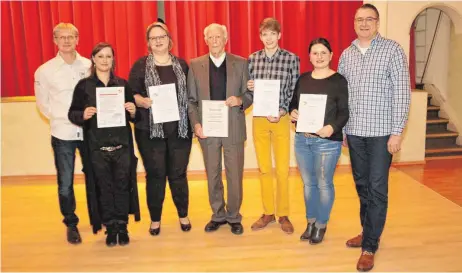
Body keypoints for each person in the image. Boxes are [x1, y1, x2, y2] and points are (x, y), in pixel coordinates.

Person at [337, 4, 411, 271]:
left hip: (381, 135)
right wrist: (343, 129)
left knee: (378, 189)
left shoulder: (392, 50)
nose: (364, 23)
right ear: (354, 23)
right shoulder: (346, 54)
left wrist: (397, 131)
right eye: (359, 19)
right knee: (362, 186)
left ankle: (370, 245)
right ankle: (367, 231)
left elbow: (402, 93)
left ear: (377, 23)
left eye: (370, 19)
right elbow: (341, 96)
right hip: (355, 132)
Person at [68, 42, 140, 247]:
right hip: (97, 148)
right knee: (104, 188)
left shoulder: (123, 85)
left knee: (122, 187)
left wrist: (133, 110)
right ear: (93, 59)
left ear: (113, 60)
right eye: (100, 57)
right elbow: (72, 113)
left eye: (108, 56)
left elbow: (135, 116)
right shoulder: (84, 86)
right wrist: (83, 114)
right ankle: (110, 226)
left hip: (121, 147)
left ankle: (122, 226)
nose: (105, 60)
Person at [187, 23, 253, 235]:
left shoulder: (241, 63)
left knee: (234, 175)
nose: (215, 41)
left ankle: (234, 215)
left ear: (225, 39)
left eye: (218, 37)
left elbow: (250, 94)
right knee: (213, 173)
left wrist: (240, 99)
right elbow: (191, 100)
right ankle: (218, 214)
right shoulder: (195, 65)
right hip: (208, 129)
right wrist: (196, 124)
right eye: (210, 37)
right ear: (205, 40)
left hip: (233, 127)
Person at [128, 21, 192, 236]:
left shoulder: (182, 65)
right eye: (153, 38)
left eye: (161, 36)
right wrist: (141, 100)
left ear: (169, 39)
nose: (158, 41)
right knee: (155, 175)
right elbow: (131, 94)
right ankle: (155, 220)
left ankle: (183, 215)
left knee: (178, 175)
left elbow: (192, 95)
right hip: (149, 132)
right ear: (148, 42)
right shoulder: (139, 66)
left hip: (180, 131)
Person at [34, 22, 91, 244]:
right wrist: (63, 119)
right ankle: (71, 222)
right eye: (61, 37)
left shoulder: (88, 65)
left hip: (88, 132)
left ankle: (99, 218)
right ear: (55, 41)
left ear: (78, 39)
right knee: (65, 182)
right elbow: (43, 105)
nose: (66, 41)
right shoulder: (45, 70)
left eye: (71, 37)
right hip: (62, 134)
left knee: (95, 178)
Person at [289, 38, 349, 244]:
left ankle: (321, 224)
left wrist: (331, 127)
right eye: (315, 53)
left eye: (323, 52)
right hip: (302, 140)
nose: (319, 56)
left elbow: (344, 112)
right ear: (309, 56)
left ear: (331, 55)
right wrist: (293, 113)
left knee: (324, 184)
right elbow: (293, 105)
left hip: (327, 142)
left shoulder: (339, 81)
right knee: (308, 185)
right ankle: (310, 221)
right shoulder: (303, 79)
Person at [247, 18, 300, 234]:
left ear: (279, 35)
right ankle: (268, 211)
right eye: (264, 34)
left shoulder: (291, 59)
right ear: (260, 37)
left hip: (281, 118)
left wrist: (282, 110)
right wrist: (249, 86)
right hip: (259, 118)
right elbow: (249, 91)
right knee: (264, 168)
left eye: (272, 34)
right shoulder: (252, 59)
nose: (268, 38)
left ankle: (284, 213)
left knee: (282, 169)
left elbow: (295, 90)